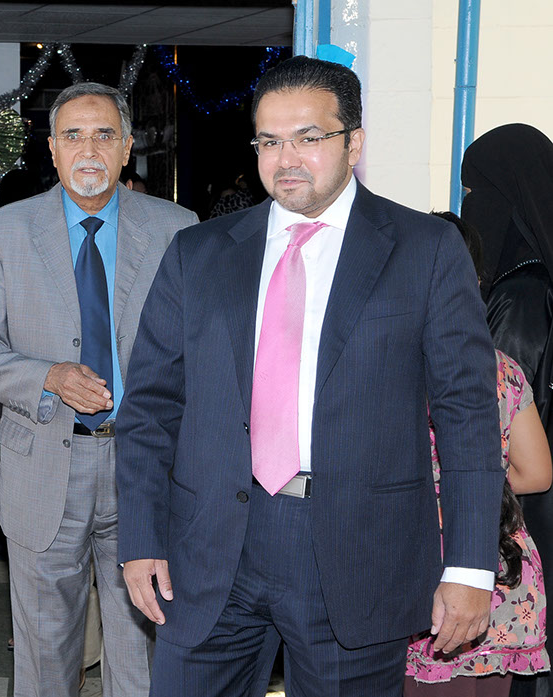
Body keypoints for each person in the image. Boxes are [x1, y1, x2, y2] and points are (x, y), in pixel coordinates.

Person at [116, 56, 504, 697]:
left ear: (354, 142)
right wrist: (140, 537)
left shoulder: (424, 250)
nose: (286, 158)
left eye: (308, 137)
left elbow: (468, 414)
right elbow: (151, 408)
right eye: (269, 141)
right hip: (208, 548)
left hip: (358, 553)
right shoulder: (199, 253)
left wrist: (469, 567)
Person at [0, 81, 199, 697]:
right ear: (52, 148)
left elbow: (200, 354)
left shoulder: (177, 229)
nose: (88, 150)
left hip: (147, 469)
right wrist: (49, 377)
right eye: (73, 136)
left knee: (144, 658)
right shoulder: (4, 231)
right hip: (43, 468)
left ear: (127, 148)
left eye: (103, 135)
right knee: (45, 664)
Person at [404, 212, 551, 696]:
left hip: (426, 570)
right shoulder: (500, 368)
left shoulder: (395, 366)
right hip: (501, 567)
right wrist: (479, 481)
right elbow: (537, 473)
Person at [460, 126, 553, 697]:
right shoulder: (536, 284)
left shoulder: (517, 296)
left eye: (475, 193)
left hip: (519, 518)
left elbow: (489, 420)